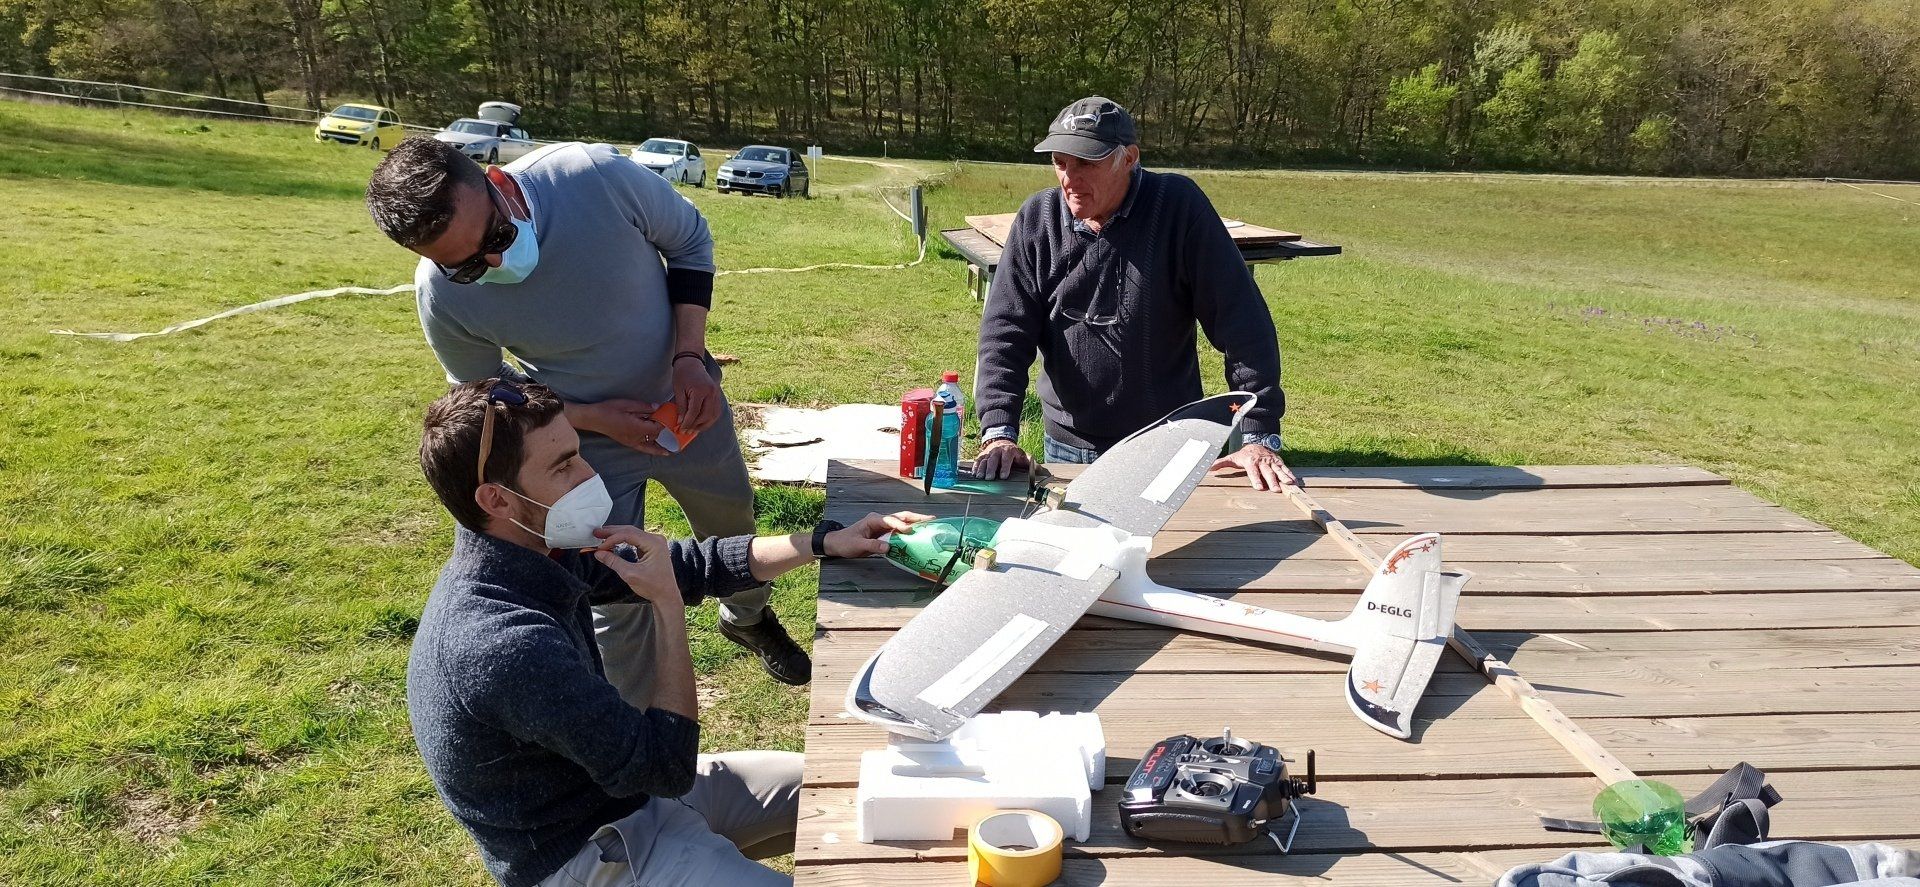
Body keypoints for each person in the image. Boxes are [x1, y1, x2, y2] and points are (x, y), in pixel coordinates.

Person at [407, 378, 926, 887]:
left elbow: (690, 565)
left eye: (578, 452)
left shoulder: (534, 551)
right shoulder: (504, 643)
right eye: (563, 466)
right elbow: (665, 766)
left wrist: (823, 542)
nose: (589, 474)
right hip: (588, 853)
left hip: (632, 795)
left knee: (853, 786)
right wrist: (667, 606)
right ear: (497, 500)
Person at [365, 136, 815, 706]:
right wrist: (592, 419)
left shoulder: (590, 176)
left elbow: (689, 242)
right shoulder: (439, 297)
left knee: (731, 524)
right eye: (468, 267)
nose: (495, 263)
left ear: (497, 181)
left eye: (497, 238)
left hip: (688, 405)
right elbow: (485, 393)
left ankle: (746, 618)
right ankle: (640, 728)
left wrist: (688, 357)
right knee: (616, 589)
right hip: (577, 450)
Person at [972, 97, 1296, 491]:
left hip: (1166, 442)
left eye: (1086, 163)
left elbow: (1242, 322)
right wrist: (998, 432)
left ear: (1128, 158)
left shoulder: (1177, 208)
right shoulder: (1039, 219)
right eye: (1060, 162)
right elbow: (1005, 331)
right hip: (1068, 447)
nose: (1070, 178)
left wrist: (1258, 435)